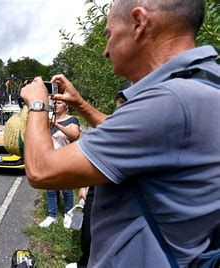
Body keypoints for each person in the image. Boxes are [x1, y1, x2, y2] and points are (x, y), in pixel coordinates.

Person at [21, 0, 219, 266]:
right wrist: (80, 104)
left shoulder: (169, 101)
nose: (105, 50)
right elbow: (134, 140)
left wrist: (37, 104)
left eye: (109, 34)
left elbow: (41, 170)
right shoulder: (199, 86)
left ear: (139, 22)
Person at [67, 81, 131, 268]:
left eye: (129, 101)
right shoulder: (109, 125)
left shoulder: (145, 128)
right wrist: (84, 185)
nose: (123, 106)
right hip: (97, 189)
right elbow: (93, 159)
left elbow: (40, 172)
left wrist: (37, 107)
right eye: (120, 101)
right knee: (87, 237)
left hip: (122, 199)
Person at [39, 100, 80, 228]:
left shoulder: (72, 120)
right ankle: (52, 216)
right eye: (54, 103)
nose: (56, 105)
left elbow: (75, 135)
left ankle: (68, 214)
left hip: (66, 159)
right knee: (51, 189)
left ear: (66, 105)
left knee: (66, 190)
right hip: (50, 160)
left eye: (59, 103)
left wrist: (56, 124)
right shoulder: (48, 120)